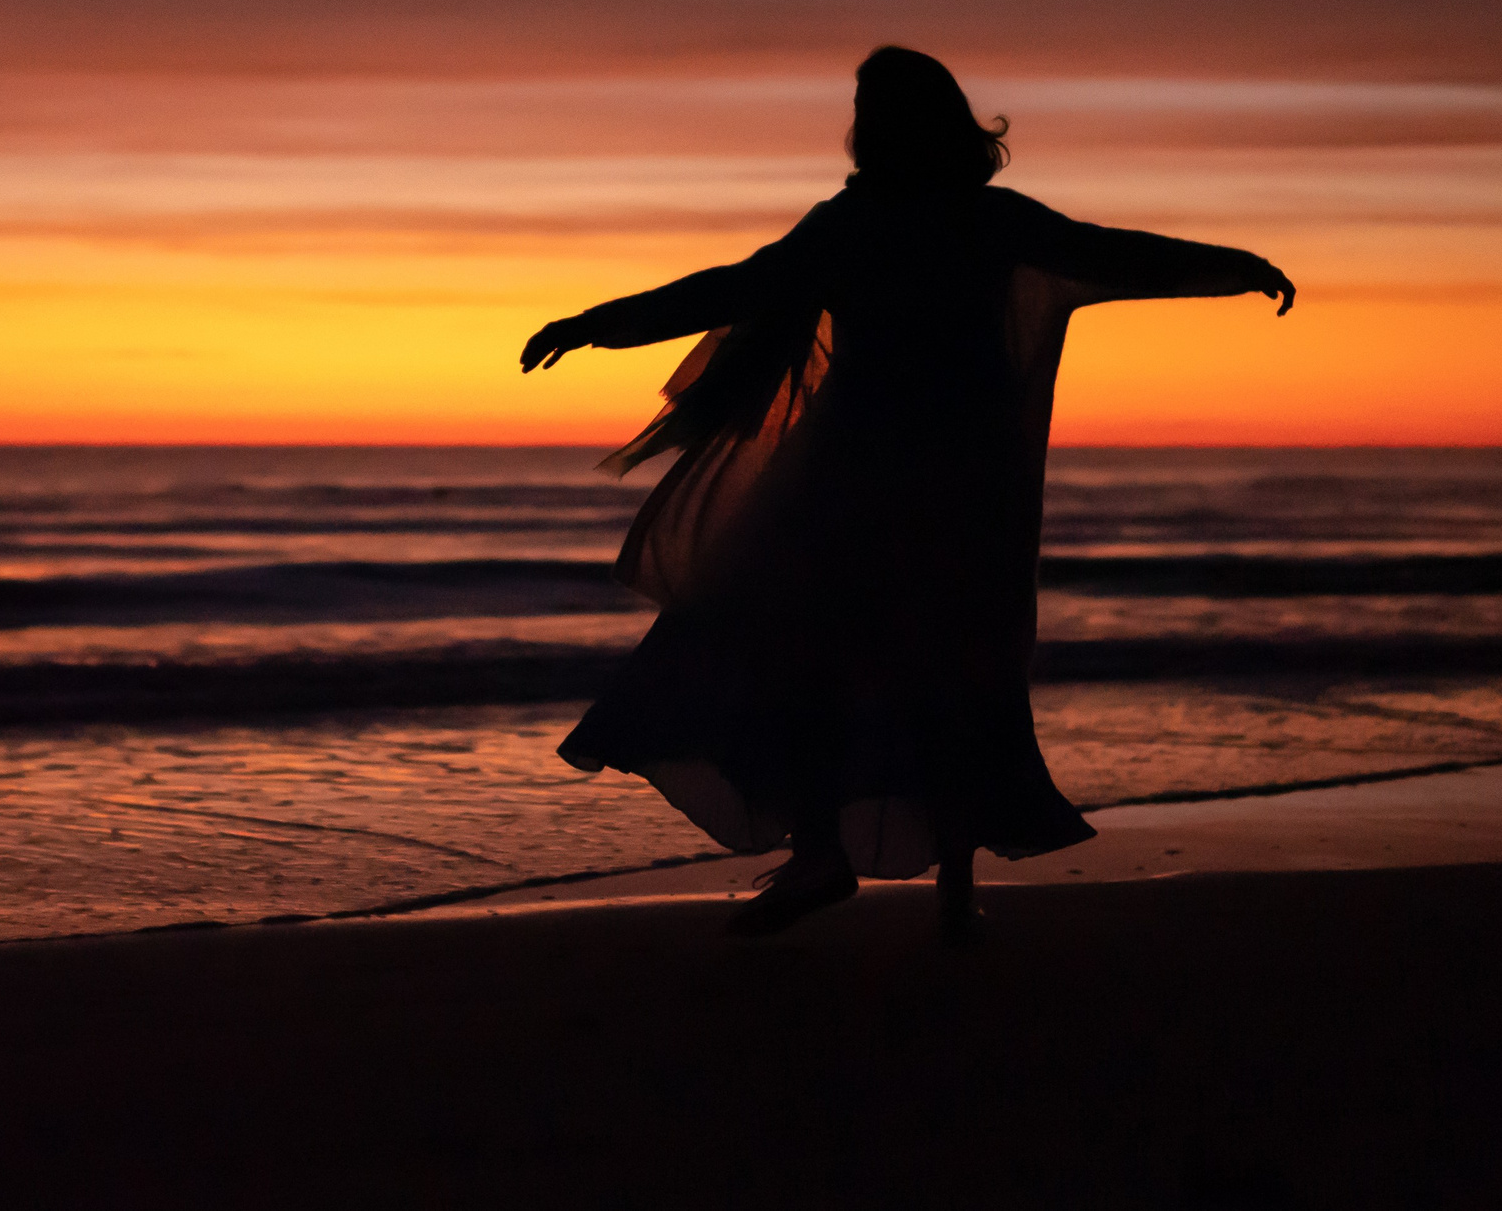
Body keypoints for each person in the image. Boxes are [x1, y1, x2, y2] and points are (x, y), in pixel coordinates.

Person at [521, 46, 1294, 943]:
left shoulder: (856, 226)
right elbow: (1111, 253)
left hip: (855, 473)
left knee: (810, 657)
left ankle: (827, 856)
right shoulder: (988, 221)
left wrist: (594, 325)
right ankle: (952, 889)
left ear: (877, 127)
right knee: (950, 666)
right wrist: (1233, 264)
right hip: (965, 479)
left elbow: (733, 288)